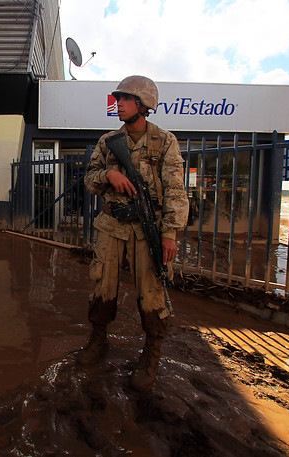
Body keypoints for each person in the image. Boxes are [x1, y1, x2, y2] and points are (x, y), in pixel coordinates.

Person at [79, 75, 189, 392]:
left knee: (152, 293)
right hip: (111, 226)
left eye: (125, 99)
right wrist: (109, 173)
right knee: (102, 287)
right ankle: (98, 341)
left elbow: (175, 190)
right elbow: (90, 180)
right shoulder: (107, 141)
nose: (119, 104)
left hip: (148, 229)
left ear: (142, 105)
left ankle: (151, 355)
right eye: (118, 99)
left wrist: (170, 232)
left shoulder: (164, 141)